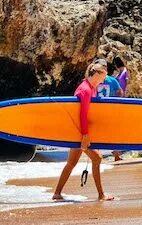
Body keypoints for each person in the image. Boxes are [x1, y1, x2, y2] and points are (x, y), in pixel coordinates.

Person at [52, 61, 115, 201]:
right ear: (96, 74)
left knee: (71, 163)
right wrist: (85, 135)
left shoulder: (90, 88)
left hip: (78, 131)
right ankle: (101, 195)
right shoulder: (85, 90)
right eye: (103, 77)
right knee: (97, 158)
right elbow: (82, 114)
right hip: (80, 132)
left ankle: (57, 193)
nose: (104, 80)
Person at [96, 62, 124, 161]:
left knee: (96, 132)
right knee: (113, 132)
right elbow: (120, 92)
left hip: (97, 110)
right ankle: (116, 155)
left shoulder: (94, 80)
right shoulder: (112, 80)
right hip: (110, 110)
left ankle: (97, 155)